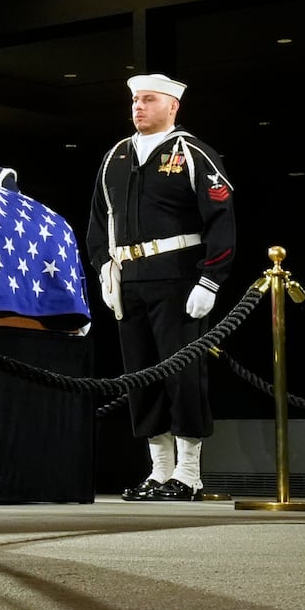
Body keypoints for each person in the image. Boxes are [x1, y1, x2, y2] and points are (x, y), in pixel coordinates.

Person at [85, 73, 235, 502]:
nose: (138, 107)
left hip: (179, 279)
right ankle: (159, 470)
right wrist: (104, 270)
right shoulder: (115, 155)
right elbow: (99, 221)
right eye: (134, 100)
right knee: (142, 377)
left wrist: (211, 278)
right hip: (129, 280)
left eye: (148, 100)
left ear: (172, 106)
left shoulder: (193, 153)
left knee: (183, 375)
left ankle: (188, 472)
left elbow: (222, 221)